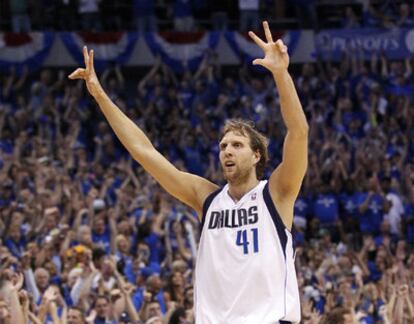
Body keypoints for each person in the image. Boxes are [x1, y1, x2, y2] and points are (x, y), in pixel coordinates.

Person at [69, 20, 308, 324]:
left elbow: (299, 133)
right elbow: (145, 153)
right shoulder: (206, 198)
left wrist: (281, 74)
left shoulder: (276, 193)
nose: (227, 151)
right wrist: (100, 96)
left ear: (256, 154)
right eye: (223, 146)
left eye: (236, 144)